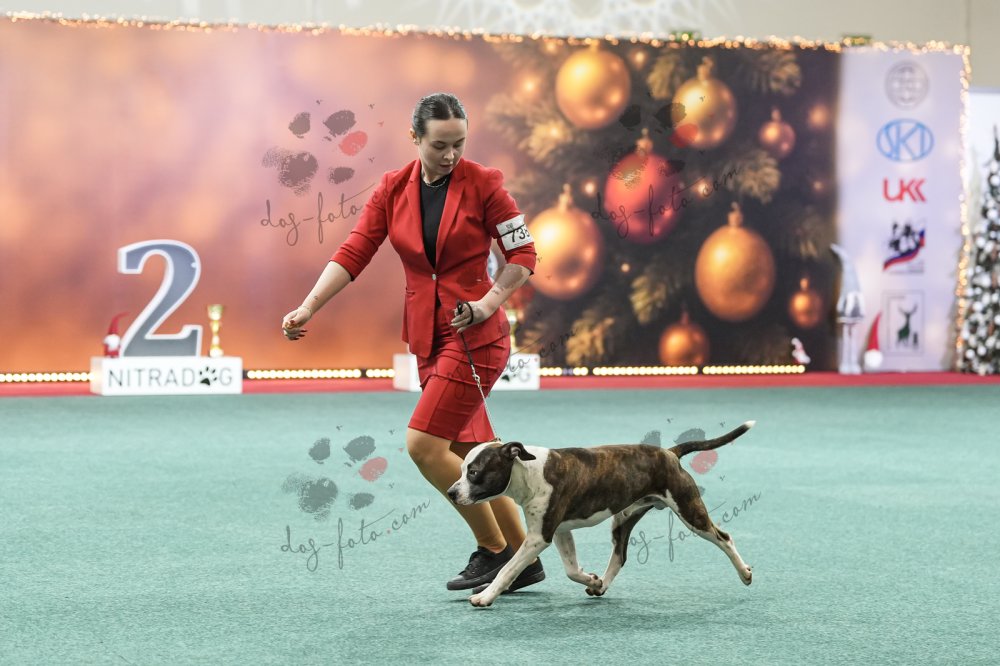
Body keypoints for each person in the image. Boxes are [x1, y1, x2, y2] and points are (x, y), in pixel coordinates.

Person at [281, 92, 543, 593]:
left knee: (423, 445)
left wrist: (487, 303)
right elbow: (355, 251)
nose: (451, 155)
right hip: (427, 335)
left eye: (459, 143)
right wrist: (308, 306)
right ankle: (523, 559)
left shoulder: (485, 184)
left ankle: (493, 550)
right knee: (467, 448)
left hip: (477, 337)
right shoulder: (392, 188)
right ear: (415, 138)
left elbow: (523, 253)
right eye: (440, 145)